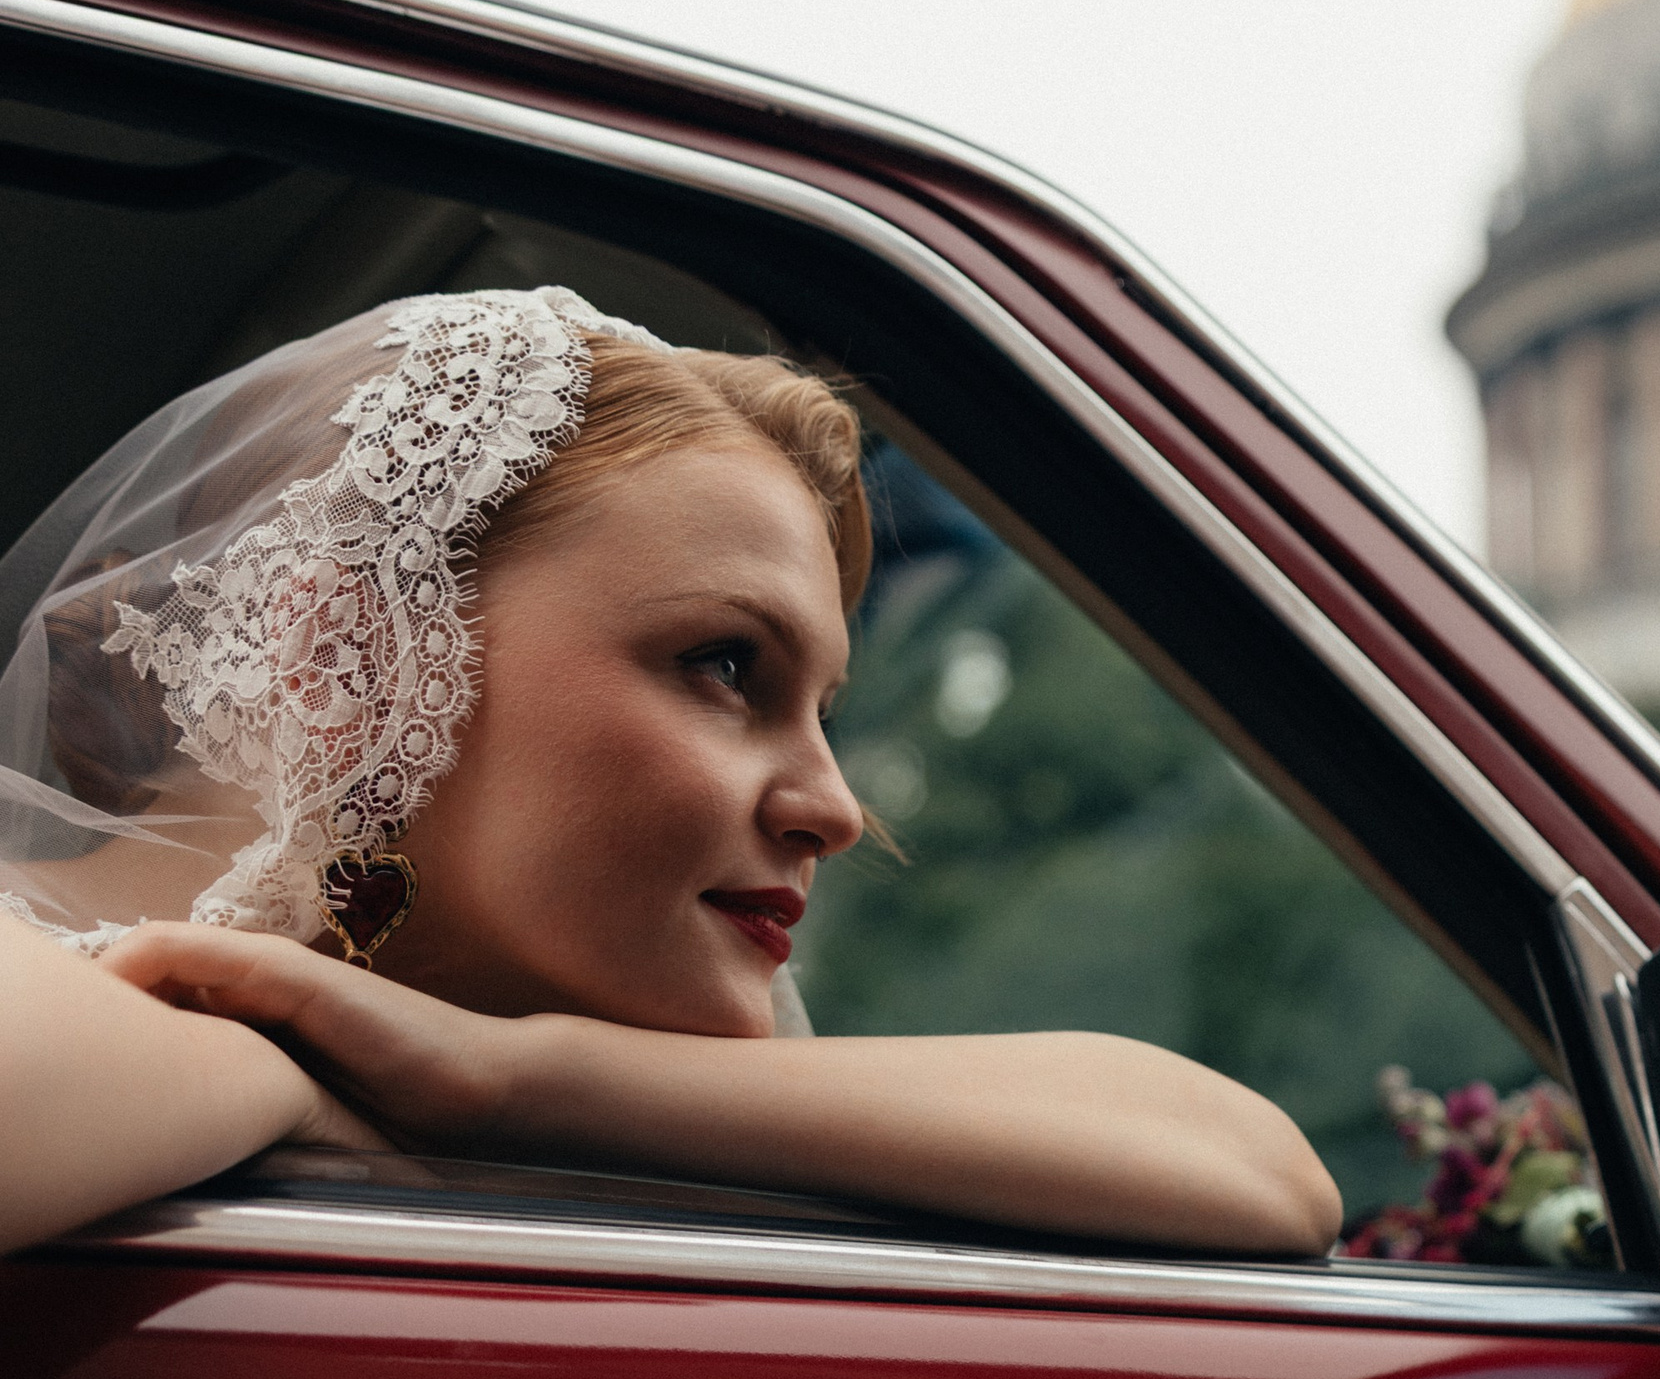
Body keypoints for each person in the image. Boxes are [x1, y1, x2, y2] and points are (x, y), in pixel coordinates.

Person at [0, 285, 1339, 1263]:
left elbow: (1258, 1167)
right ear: (357, 649)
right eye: (727, 667)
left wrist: (505, 1078)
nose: (834, 806)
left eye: (823, 709)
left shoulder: (507, 1063)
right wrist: (295, 1076)